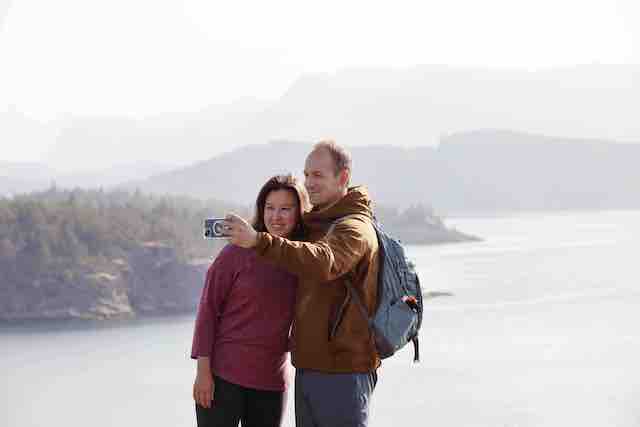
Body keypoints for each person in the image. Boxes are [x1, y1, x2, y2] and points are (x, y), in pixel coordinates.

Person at [225, 140, 380, 427]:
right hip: (309, 368)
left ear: (343, 177)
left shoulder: (354, 228)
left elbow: (325, 260)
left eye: (318, 175)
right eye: (307, 174)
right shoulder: (317, 224)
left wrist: (258, 241)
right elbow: (286, 239)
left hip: (343, 372)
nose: (309, 183)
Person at [191, 174, 310, 427]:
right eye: (269, 208)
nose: (276, 216)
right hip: (222, 378)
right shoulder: (236, 252)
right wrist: (203, 372)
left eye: (285, 209)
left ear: (299, 212)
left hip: (271, 381)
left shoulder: (303, 259)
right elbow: (208, 311)